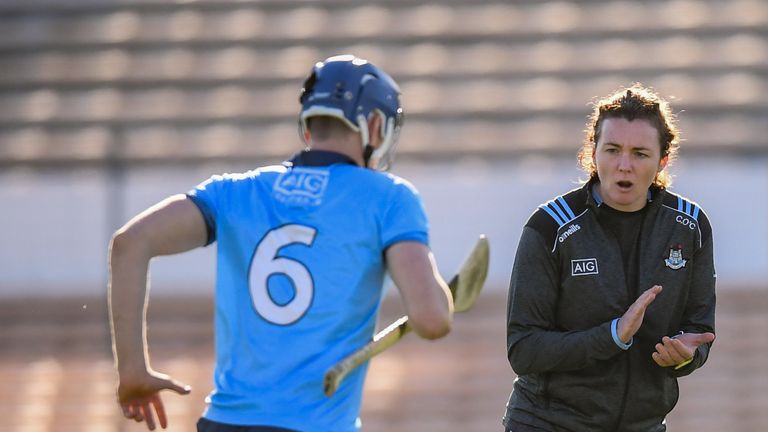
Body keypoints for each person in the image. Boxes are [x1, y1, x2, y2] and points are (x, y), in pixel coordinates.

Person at [108, 54, 454, 432]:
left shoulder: (235, 191)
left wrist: (132, 372)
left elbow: (130, 243)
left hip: (226, 423)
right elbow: (431, 319)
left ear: (309, 123)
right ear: (373, 124)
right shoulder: (389, 198)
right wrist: (445, 299)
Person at [502, 84, 716, 431]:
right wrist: (613, 335)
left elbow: (699, 332)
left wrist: (685, 357)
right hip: (548, 423)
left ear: (663, 159)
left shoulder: (690, 226)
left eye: (640, 154)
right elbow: (524, 350)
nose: (624, 165)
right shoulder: (550, 227)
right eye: (613, 150)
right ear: (593, 152)